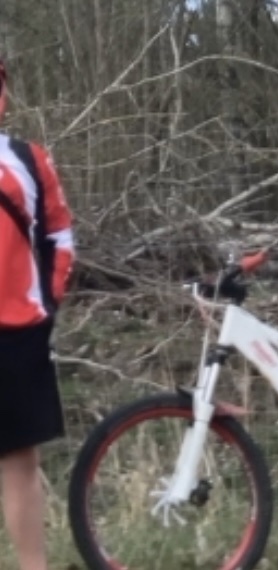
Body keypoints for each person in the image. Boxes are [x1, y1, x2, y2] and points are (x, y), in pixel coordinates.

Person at [0, 58, 74, 570]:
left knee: (19, 461)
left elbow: (60, 234)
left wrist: (47, 300)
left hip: (17, 329)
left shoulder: (29, 159)